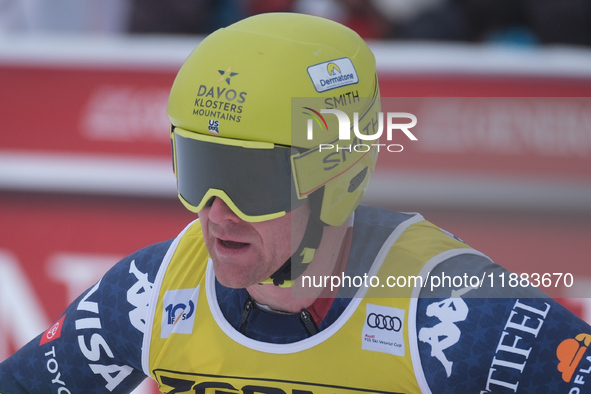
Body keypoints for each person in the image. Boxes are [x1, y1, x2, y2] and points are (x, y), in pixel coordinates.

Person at [0, 12, 590, 394]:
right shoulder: (152, 292)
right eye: (200, 171)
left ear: (336, 179)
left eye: (250, 181)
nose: (216, 211)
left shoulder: (450, 313)